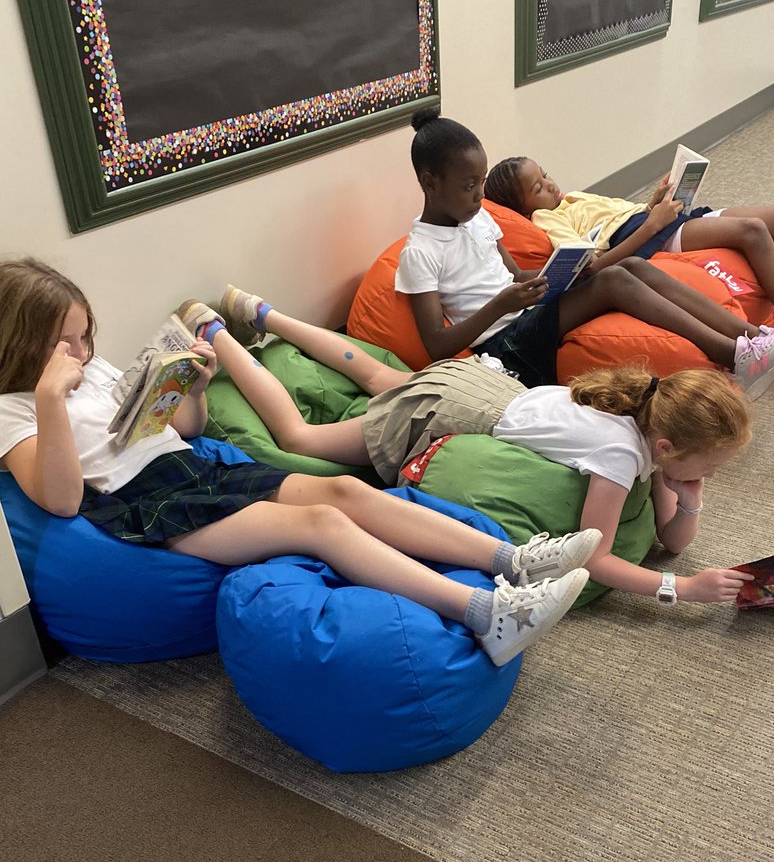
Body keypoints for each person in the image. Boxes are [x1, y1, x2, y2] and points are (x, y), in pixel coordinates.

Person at [0, 258, 604, 669]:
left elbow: (186, 432)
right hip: (154, 507)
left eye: (86, 336)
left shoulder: (94, 371)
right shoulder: (13, 409)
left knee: (344, 491)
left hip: (196, 470)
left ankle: (515, 561)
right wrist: (50, 397)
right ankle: (486, 615)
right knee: (322, 526)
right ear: (21, 344)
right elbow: (62, 501)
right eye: (65, 342)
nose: (82, 352)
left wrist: (193, 388)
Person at [191, 284, 758, 605]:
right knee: (300, 437)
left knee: (375, 376)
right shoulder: (621, 455)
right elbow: (597, 556)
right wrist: (683, 589)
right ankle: (213, 332)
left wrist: (689, 496)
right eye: (710, 465)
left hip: (479, 383)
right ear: (666, 446)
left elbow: (673, 537)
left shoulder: (643, 407)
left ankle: (262, 312)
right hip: (444, 413)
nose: (711, 475)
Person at [394, 110, 774, 399]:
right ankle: (736, 358)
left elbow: (513, 275)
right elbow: (437, 345)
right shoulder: (421, 253)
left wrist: (556, 273)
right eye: (469, 186)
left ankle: (756, 337)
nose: (478, 195)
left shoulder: (480, 220)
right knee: (616, 279)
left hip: (527, 312)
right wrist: (501, 304)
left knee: (635, 265)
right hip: (505, 343)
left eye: (481, 183)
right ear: (430, 183)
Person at [484, 155, 774, 398]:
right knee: (753, 230)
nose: (551, 185)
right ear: (522, 207)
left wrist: (653, 205)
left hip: (653, 220)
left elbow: (622, 213)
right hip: (645, 235)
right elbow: (590, 262)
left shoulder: (576, 198)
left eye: (546, 175)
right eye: (538, 187)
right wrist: (652, 224)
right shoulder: (547, 218)